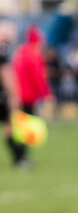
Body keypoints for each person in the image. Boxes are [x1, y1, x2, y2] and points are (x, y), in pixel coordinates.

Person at [11, 24, 51, 167]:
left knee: (18, 127)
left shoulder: (20, 52)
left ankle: (19, 156)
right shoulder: (34, 55)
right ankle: (21, 158)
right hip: (28, 98)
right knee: (26, 130)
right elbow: (38, 78)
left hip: (17, 96)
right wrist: (46, 94)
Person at [0, 19, 28, 169]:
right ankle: (19, 158)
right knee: (11, 127)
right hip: (3, 95)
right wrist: (14, 94)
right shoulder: (3, 48)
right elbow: (5, 73)